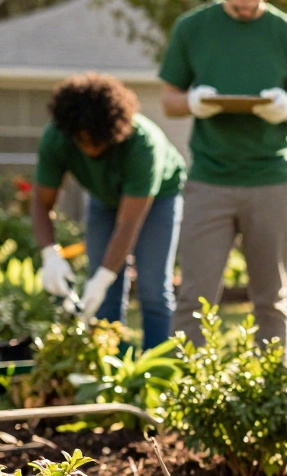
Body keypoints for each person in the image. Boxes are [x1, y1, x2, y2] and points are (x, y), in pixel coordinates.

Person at [159, 0, 287, 352]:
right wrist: (191, 101)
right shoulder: (192, 29)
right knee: (194, 297)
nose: (246, 5)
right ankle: (190, 391)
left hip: (271, 180)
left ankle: (272, 393)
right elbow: (168, 100)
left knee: (271, 298)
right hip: (208, 181)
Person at [32, 73, 185, 350]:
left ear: (113, 131)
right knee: (105, 298)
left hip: (158, 198)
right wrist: (49, 254)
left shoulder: (142, 144)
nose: (90, 148)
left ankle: (157, 372)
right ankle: (113, 372)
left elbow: (129, 223)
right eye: (83, 140)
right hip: (104, 198)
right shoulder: (57, 138)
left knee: (153, 289)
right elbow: (41, 203)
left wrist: (104, 277)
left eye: (98, 141)